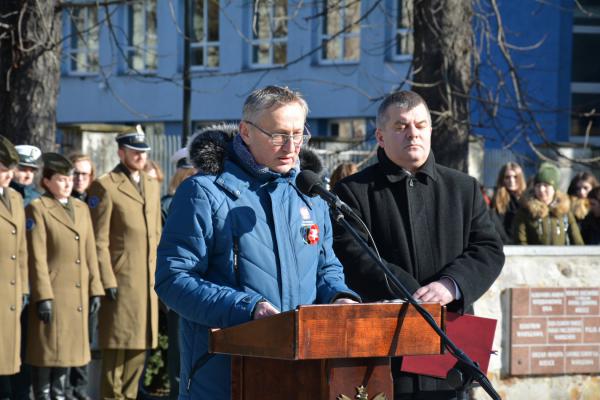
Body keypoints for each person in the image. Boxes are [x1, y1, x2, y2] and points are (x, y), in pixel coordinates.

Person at [155, 85, 360, 399]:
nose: (291, 146)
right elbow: (173, 280)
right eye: (278, 134)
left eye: (298, 134)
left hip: (300, 374)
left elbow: (325, 268)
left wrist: (339, 299)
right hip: (223, 376)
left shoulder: (310, 195)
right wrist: (248, 308)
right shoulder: (203, 193)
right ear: (246, 132)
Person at [331, 90, 504, 400]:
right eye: (401, 126)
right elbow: (353, 255)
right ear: (380, 136)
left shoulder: (463, 188)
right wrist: (413, 294)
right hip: (388, 349)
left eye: (421, 125)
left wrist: (451, 285)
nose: (413, 133)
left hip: (449, 349)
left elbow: (488, 249)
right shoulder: (352, 192)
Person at [86, 127, 161, 400]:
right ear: (121, 152)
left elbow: (157, 235)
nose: (141, 156)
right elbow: (98, 241)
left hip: (148, 282)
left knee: (141, 347)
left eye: (144, 152)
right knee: (116, 350)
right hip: (121, 280)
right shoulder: (105, 186)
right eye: (135, 151)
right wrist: (106, 279)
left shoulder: (152, 185)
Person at [25, 153, 104, 400]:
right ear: (47, 181)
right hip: (55, 292)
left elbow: (90, 252)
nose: (68, 183)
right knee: (49, 353)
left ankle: (60, 394)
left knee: (69, 355)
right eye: (61, 179)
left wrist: (96, 288)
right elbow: (36, 257)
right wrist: (43, 296)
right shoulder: (37, 209)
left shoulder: (80, 208)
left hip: (78, 295)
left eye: (69, 178)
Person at [0, 137, 29, 400]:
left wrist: (23, 289)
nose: (8, 174)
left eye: (10, 168)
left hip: (10, 294)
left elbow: (20, 249)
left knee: (8, 364)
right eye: (2, 168)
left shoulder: (15, 198)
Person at [513, 163, 584, 245]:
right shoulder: (526, 211)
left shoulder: (564, 211)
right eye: (538, 186)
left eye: (546, 186)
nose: (541, 189)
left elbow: (577, 241)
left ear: (554, 188)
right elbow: (520, 242)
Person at [490, 162, 527, 244]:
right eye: (507, 177)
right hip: (505, 244)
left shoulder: (528, 198)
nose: (511, 180)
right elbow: (497, 226)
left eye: (515, 177)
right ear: (502, 179)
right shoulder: (497, 199)